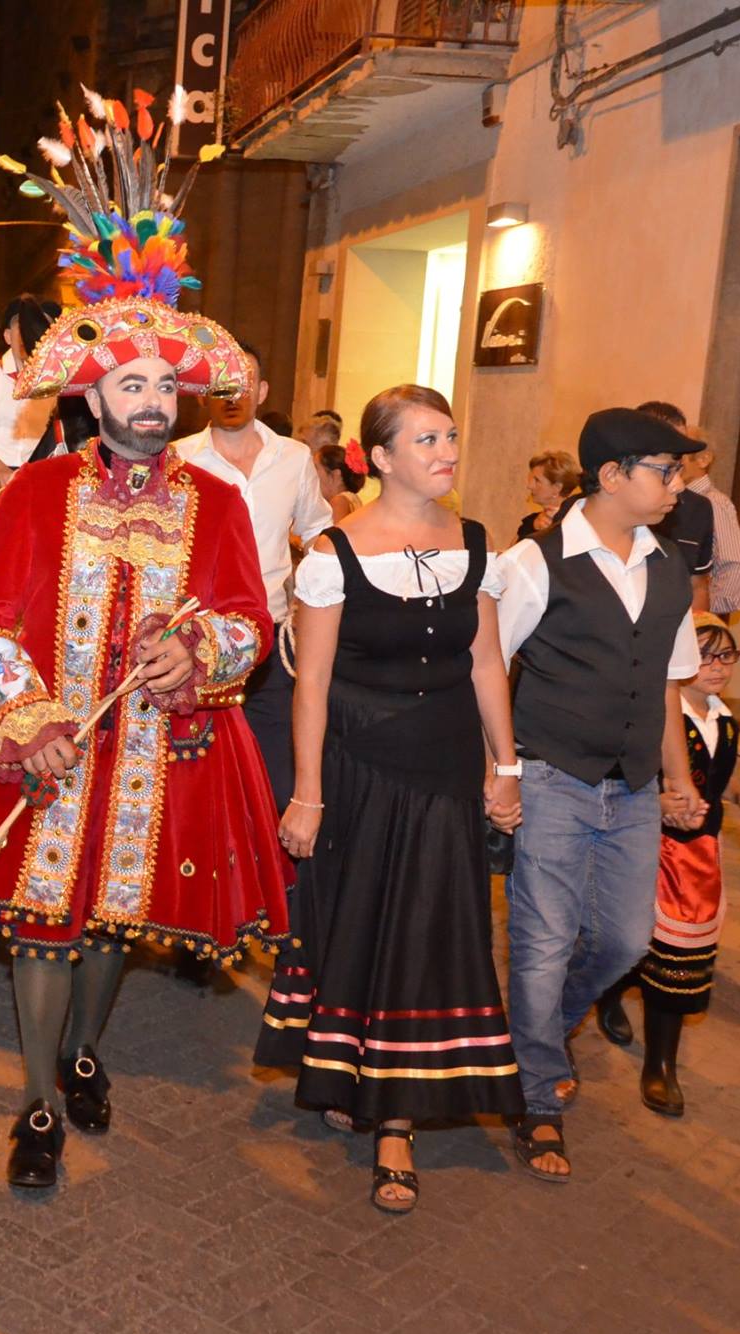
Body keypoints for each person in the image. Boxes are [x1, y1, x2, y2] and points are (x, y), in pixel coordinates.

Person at [0, 89, 291, 1190]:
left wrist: (197, 655)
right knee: (39, 927)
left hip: (156, 753)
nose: (154, 400)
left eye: (167, 383)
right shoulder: (33, 495)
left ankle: (82, 1052)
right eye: (132, 381)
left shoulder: (212, 502)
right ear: (93, 392)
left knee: (114, 923)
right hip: (52, 746)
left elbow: (247, 620)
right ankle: (32, 1105)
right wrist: (27, 718)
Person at [258, 385, 524, 1213]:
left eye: (450, 436)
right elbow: (313, 685)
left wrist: (505, 767)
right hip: (358, 766)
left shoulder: (476, 544)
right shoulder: (334, 554)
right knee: (359, 920)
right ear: (378, 459)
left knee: (428, 927)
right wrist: (308, 794)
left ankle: (396, 1121)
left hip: (442, 766)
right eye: (426, 439)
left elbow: (485, 662)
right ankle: (349, 1070)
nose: (446, 452)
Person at [494, 407, 707, 1184]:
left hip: (636, 789)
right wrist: (501, 770)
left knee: (623, 940)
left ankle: (536, 1029)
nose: (676, 484)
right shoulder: (532, 562)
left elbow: (665, 689)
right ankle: (535, 1096)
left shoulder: (672, 568)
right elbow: (490, 673)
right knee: (544, 940)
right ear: (612, 477)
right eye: (664, 469)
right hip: (552, 775)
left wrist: (680, 781)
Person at [592, 615, 740, 1115]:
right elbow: (631, 776)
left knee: (677, 959)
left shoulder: (722, 717)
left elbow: (718, 771)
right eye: (706, 655)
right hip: (654, 852)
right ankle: (645, 1047)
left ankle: (655, 1053)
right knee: (649, 947)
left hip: (701, 857)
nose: (717, 667)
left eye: (727, 655)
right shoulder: (658, 719)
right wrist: (659, 804)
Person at [172, 364, 333, 813]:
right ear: (204, 394)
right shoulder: (178, 458)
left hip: (272, 641)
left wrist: (313, 607)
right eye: (221, 385)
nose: (232, 394)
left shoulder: (294, 458)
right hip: (196, 644)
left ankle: (276, 881)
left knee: (273, 775)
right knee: (197, 778)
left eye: (242, 383)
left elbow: (321, 531)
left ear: (261, 389)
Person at [0, 295, 60, 486]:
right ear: (8, 336)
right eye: (21, 327)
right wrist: (2, 471)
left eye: (37, 329)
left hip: (39, 474)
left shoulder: (58, 382)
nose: (29, 335)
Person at [635, 401, 716, 609]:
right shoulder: (587, 514)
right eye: (666, 467)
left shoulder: (698, 508)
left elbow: (697, 586)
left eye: (678, 467)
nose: (678, 484)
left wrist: (698, 635)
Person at [676, 427, 740, 615]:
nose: (672, 462)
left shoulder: (713, 503)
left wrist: (698, 610)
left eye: (680, 454)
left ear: (703, 459)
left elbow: (738, 571)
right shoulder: (670, 500)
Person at [518, 451, 580, 540]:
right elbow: (510, 552)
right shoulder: (530, 522)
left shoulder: (573, 523)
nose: (529, 486)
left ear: (557, 488)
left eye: (537, 480)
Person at [314, 443, 366, 522]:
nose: (311, 474)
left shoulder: (340, 502)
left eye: (315, 468)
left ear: (335, 475)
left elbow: (330, 534)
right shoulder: (349, 499)